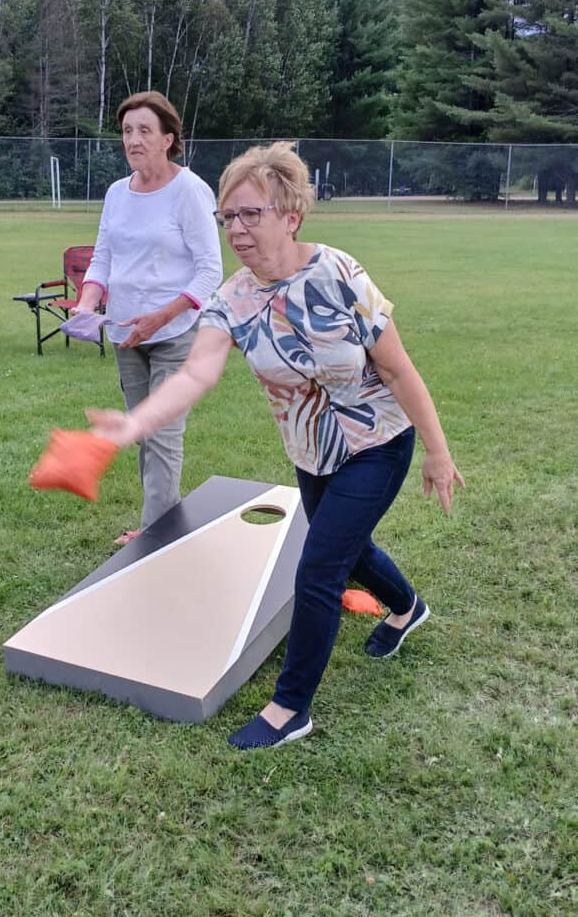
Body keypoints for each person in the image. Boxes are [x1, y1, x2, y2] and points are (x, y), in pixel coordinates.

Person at [87, 142, 464, 750]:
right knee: (351, 547)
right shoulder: (232, 299)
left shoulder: (342, 274)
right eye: (227, 217)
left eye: (250, 214)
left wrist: (438, 452)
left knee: (318, 567)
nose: (235, 229)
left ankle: (291, 708)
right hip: (310, 449)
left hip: (378, 440)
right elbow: (194, 374)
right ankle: (407, 607)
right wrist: (134, 425)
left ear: (291, 215)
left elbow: (398, 371)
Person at [74, 91, 223, 545]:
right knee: (141, 429)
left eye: (144, 131)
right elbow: (102, 257)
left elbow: (210, 270)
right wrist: (86, 303)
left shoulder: (190, 190)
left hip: (175, 331)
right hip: (125, 332)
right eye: (126, 131)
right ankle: (162, 520)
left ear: (167, 138)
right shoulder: (118, 193)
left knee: (160, 431)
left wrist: (161, 316)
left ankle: (157, 534)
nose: (133, 140)